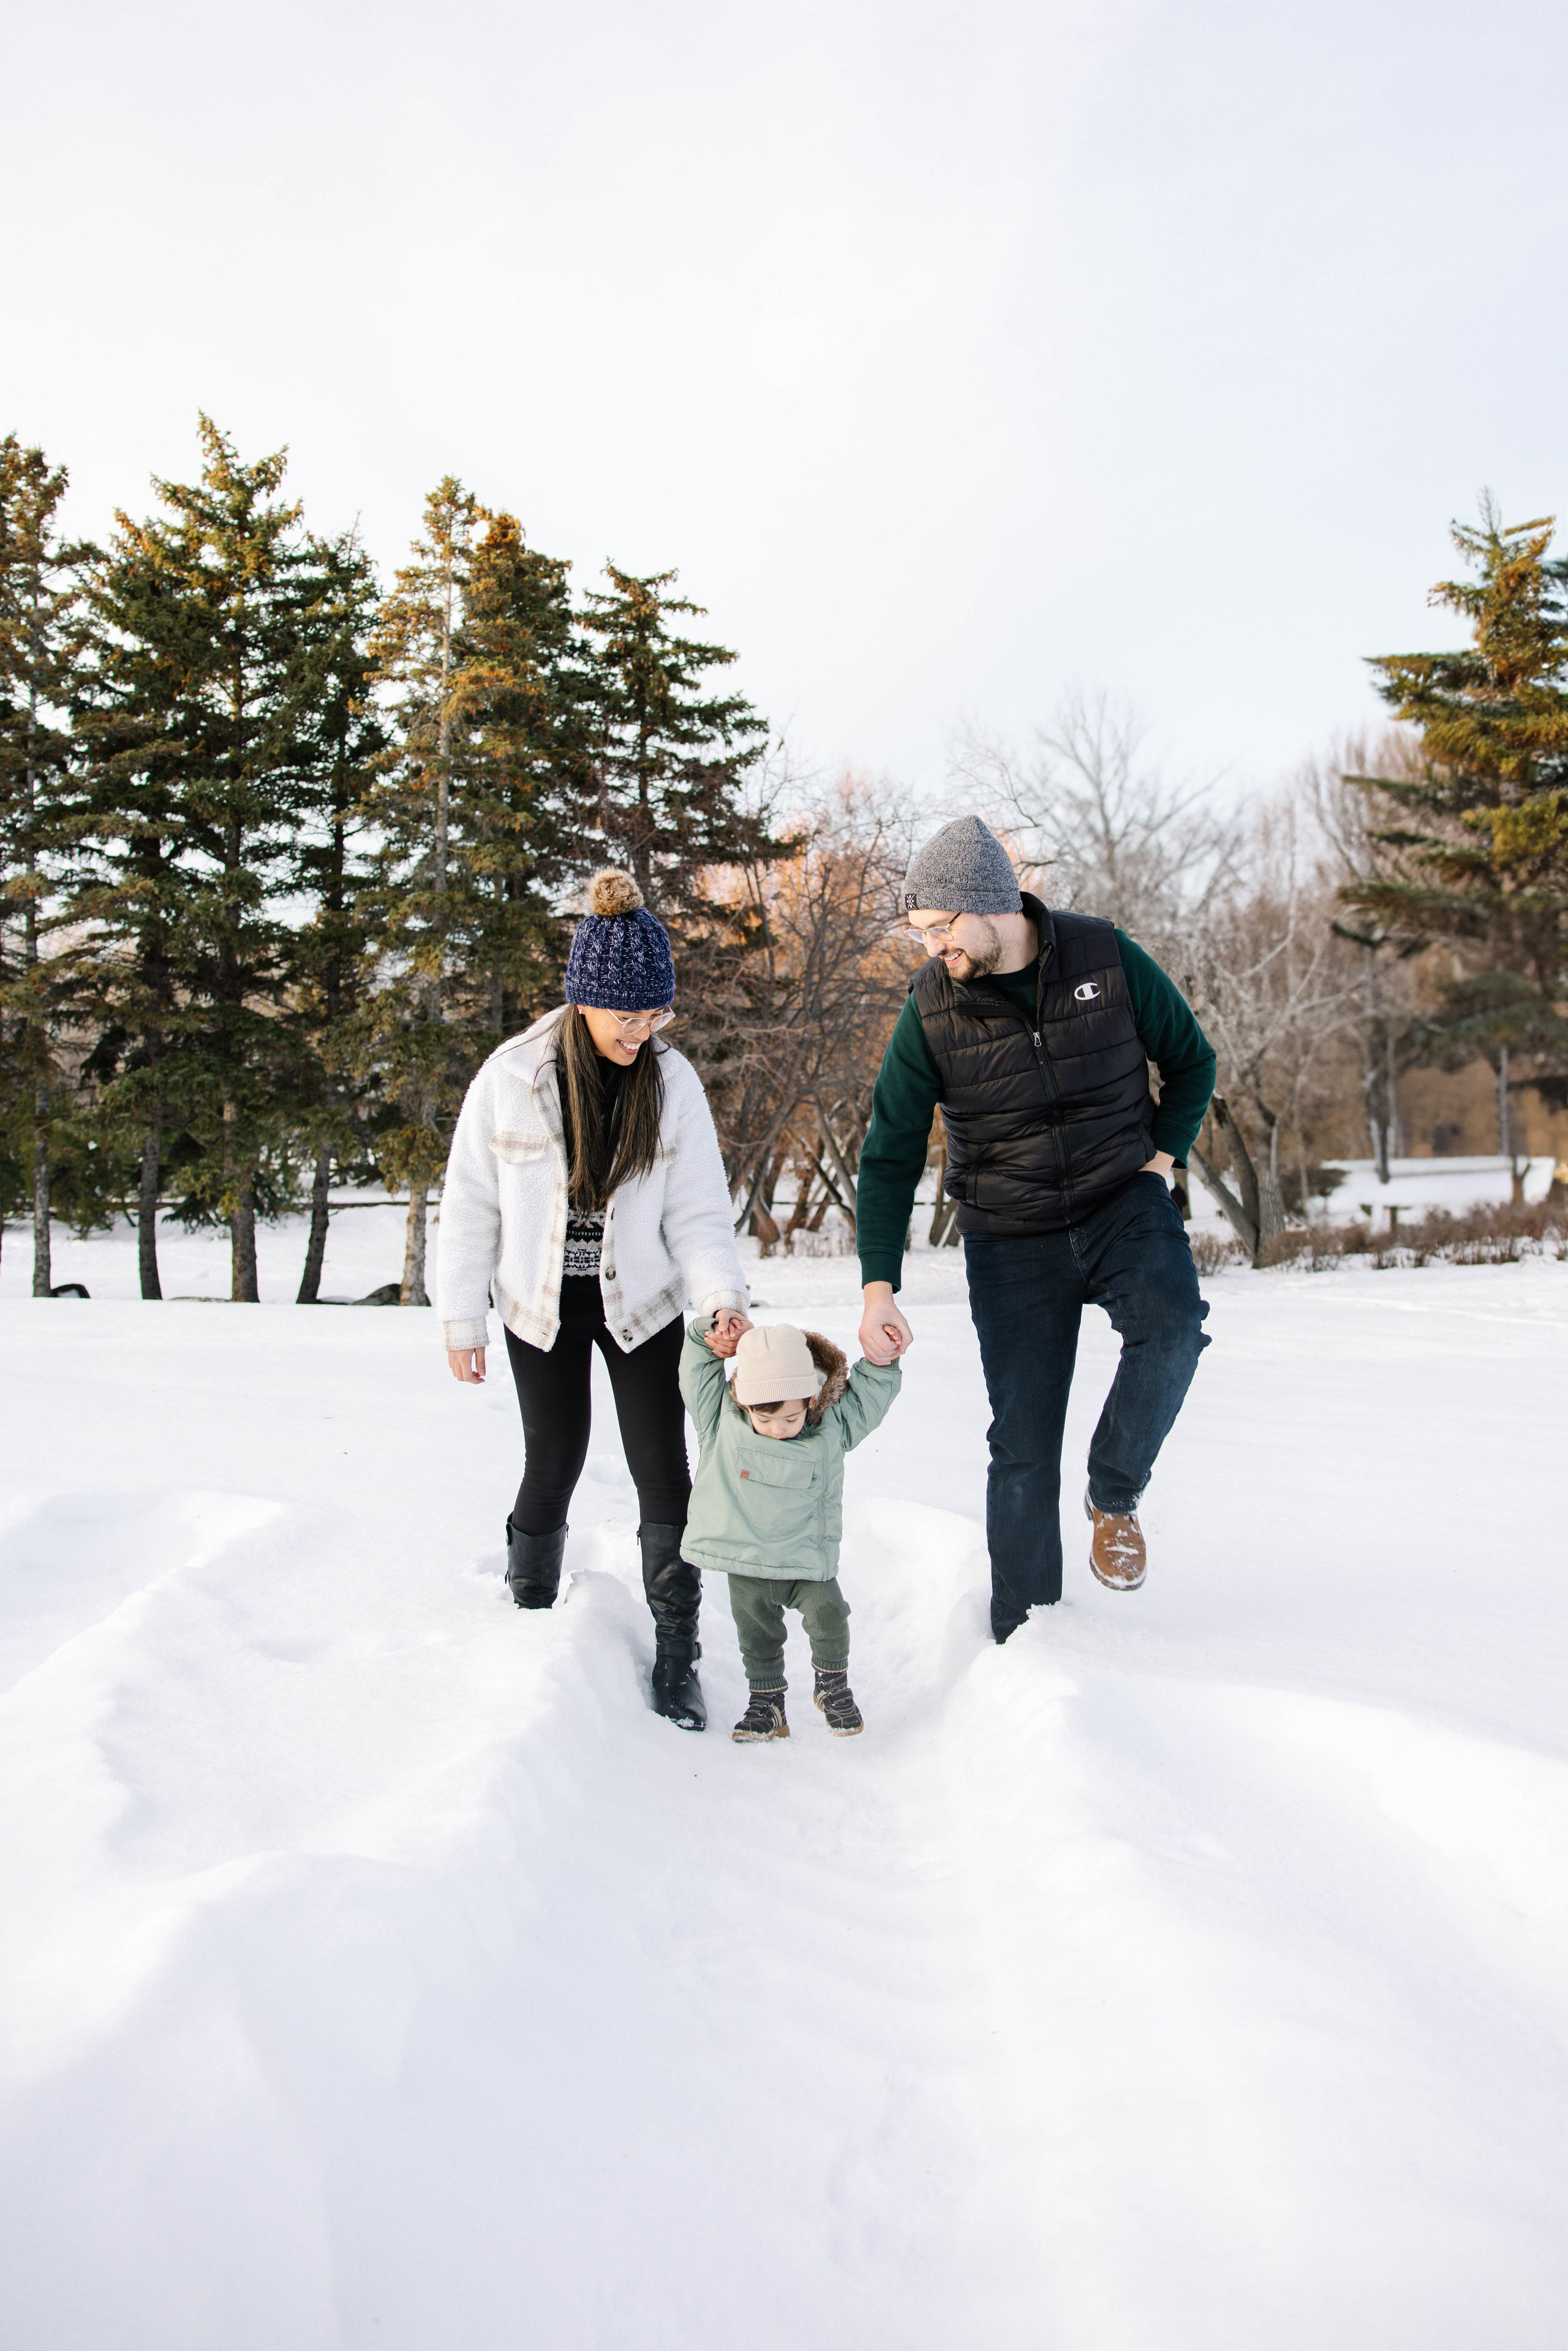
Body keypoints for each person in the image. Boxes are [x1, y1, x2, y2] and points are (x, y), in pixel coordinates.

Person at [855, 816, 1215, 1640]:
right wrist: (880, 1284)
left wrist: (1163, 1160)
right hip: (1010, 1234)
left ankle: (1113, 1492)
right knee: (1022, 1439)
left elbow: (1192, 1060)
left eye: (942, 929)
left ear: (990, 906)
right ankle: (1026, 1637)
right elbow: (888, 1151)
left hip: (1122, 1198)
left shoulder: (1105, 956)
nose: (935, 948)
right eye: (923, 934)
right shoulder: (931, 1009)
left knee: (1173, 1329)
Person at [437, 869, 749, 1731]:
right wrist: (461, 1316)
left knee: (664, 1471)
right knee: (555, 1458)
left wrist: (721, 1298)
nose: (643, 1031)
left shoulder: (671, 1081)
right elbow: (470, 1202)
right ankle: (530, 1617)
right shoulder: (512, 1076)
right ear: (585, 1002)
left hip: (640, 1303)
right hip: (539, 1305)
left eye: (657, 1016)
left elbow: (696, 1209)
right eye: (628, 1016)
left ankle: (678, 1654)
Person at [677, 1317, 901, 1742]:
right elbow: (696, 1373)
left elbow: (866, 1402)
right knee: (757, 1634)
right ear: (744, 1403)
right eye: (765, 1419)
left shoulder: (830, 1426)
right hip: (747, 1560)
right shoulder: (721, 1422)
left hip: (804, 1560)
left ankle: (832, 1685)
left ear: (812, 1400)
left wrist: (882, 1363)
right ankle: (767, 1703)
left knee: (830, 1615)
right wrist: (708, 1335)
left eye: (791, 1418)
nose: (778, 1430)